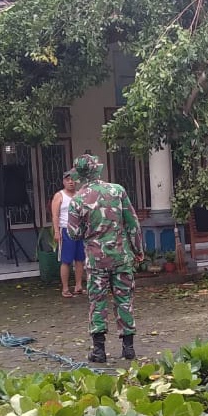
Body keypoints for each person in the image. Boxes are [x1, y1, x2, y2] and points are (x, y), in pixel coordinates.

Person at [66, 153, 144, 362]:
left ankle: (99, 350)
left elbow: (73, 233)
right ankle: (128, 348)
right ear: (98, 170)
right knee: (124, 300)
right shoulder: (117, 191)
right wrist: (138, 249)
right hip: (121, 256)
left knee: (97, 301)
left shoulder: (77, 200)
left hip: (95, 260)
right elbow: (132, 223)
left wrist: (88, 229)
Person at [51, 171, 86, 297]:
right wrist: (56, 231)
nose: (70, 182)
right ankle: (65, 288)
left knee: (80, 259)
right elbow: (55, 215)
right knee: (66, 260)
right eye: (68, 180)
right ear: (64, 182)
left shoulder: (79, 195)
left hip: (79, 230)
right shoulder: (59, 196)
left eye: (73, 180)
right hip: (65, 230)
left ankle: (78, 285)